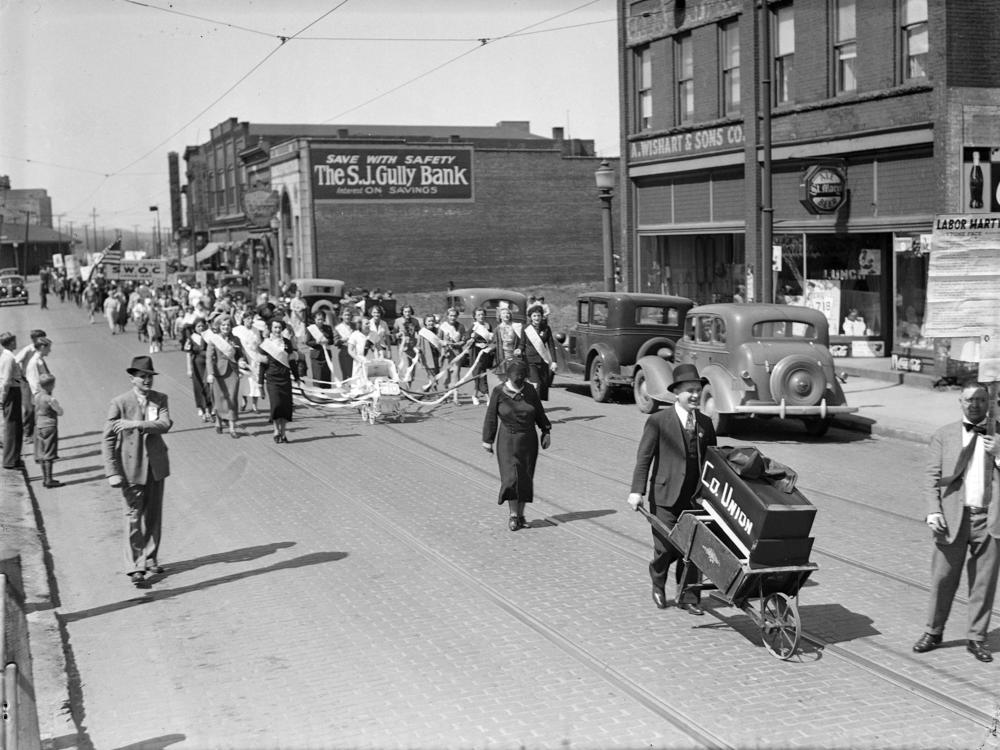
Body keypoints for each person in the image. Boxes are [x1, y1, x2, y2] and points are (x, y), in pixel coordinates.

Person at [913, 381, 1000, 662]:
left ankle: (977, 637)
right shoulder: (945, 435)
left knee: (984, 583)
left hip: (990, 518)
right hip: (951, 518)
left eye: (981, 400)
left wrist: (998, 453)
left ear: (990, 403)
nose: (975, 405)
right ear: (960, 402)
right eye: (969, 400)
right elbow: (931, 477)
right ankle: (933, 631)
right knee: (943, 578)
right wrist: (933, 511)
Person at [627, 363, 718, 615]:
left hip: (695, 497)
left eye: (698, 390)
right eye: (690, 390)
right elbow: (644, 458)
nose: (695, 395)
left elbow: (713, 462)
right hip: (665, 495)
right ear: (676, 393)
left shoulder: (705, 423)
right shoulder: (658, 421)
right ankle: (658, 582)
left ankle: (688, 596)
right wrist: (637, 490)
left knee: (694, 548)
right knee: (666, 547)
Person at [101, 355, 173, 589]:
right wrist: (112, 471)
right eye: (143, 377)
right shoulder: (120, 403)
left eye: (150, 377)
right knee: (133, 518)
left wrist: (136, 424)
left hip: (155, 467)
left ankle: (150, 558)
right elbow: (108, 440)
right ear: (132, 379)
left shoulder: (160, 399)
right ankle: (135, 566)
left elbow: (165, 424)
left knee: (154, 516)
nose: (147, 381)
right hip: (130, 469)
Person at [481, 359, 551, 531]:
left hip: (528, 440)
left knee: (525, 478)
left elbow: (539, 412)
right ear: (509, 376)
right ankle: (512, 515)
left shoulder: (530, 391)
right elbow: (491, 417)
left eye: (522, 377)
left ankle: (521, 515)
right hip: (507, 440)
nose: (519, 380)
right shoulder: (498, 392)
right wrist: (487, 440)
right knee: (511, 478)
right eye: (516, 377)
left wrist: (546, 430)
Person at [259, 318, 301, 443]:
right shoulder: (265, 344)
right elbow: (262, 365)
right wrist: (260, 382)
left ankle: (283, 431)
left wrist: (297, 377)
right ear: (271, 328)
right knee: (276, 405)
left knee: (285, 406)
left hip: (285, 378)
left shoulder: (287, 343)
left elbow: (292, 362)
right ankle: (275, 429)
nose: (277, 330)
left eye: (279, 327)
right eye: (275, 327)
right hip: (272, 378)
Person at [205, 315, 245, 438]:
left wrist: (241, 361)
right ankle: (218, 420)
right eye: (223, 325)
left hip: (232, 373)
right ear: (219, 327)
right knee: (219, 398)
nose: (225, 327)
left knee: (232, 399)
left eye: (228, 325)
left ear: (231, 326)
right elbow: (209, 358)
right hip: (218, 373)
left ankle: (232, 428)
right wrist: (210, 373)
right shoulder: (214, 339)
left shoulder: (236, 340)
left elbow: (240, 355)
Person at [521, 304, 557, 401]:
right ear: (531, 317)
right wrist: (519, 350)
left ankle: (534, 405)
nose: (537, 318)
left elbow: (551, 345)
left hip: (543, 361)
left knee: (543, 386)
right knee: (536, 384)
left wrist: (554, 361)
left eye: (539, 315)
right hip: (530, 361)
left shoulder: (546, 328)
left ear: (542, 316)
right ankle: (535, 409)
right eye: (534, 316)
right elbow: (522, 344)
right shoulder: (526, 328)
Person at [0, 332, 25, 470]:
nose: (16, 343)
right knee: (11, 427)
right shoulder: (8, 358)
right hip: (11, 392)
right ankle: (9, 461)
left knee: (16, 426)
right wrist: (3, 399)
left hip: (13, 391)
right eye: (14, 341)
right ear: (10, 343)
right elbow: (6, 381)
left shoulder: (8, 356)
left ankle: (14, 458)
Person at [34, 373, 63, 488]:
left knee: (42, 452)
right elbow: (60, 412)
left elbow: (36, 409)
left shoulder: (37, 397)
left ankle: (44, 478)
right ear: (51, 386)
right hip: (50, 426)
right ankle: (49, 479)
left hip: (39, 426)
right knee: (50, 453)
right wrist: (58, 409)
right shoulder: (51, 399)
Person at [233, 310, 263, 412]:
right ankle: (244, 401)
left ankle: (255, 405)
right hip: (243, 357)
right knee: (244, 381)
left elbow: (259, 344)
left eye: (251, 318)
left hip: (254, 358)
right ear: (243, 319)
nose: (249, 321)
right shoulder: (237, 330)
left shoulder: (256, 330)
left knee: (255, 381)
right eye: (247, 319)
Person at [185, 317, 213, 421]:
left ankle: (209, 409)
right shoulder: (191, 338)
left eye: (202, 326)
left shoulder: (208, 337)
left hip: (208, 365)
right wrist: (189, 369)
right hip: (196, 366)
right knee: (198, 387)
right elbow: (188, 354)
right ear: (194, 327)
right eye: (198, 326)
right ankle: (201, 407)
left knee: (208, 386)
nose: (201, 328)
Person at [438, 307, 468, 404]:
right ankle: (445, 395)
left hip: (456, 354)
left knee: (455, 376)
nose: (453, 318)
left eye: (454, 316)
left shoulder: (461, 327)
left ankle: (455, 397)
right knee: (446, 377)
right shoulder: (443, 326)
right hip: (446, 354)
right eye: (451, 315)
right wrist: (444, 343)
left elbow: (464, 340)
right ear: (447, 316)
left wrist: (457, 344)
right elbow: (438, 339)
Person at [491, 303, 523, 388]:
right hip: (502, 356)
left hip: (513, 355)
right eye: (504, 313)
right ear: (500, 316)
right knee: (502, 380)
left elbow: (521, 341)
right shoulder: (497, 329)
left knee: (513, 378)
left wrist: (519, 349)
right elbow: (493, 343)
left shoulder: (516, 327)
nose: (506, 315)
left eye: (508, 313)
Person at [468, 307, 494, 406]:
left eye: (482, 314)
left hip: (485, 353)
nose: (481, 316)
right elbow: (467, 339)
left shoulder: (488, 325)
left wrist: (488, 344)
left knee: (481, 374)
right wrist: (474, 342)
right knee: (479, 374)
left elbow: (490, 339)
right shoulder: (474, 326)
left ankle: (475, 395)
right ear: (475, 316)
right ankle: (488, 397)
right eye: (478, 315)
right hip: (476, 353)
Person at [305, 310, 335, 389]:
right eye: (318, 319)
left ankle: (327, 396)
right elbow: (307, 342)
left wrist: (327, 341)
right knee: (318, 377)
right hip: (316, 356)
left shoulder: (328, 328)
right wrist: (316, 342)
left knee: (326, 377)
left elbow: (332, 341)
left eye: (322, 319)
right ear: (314, 319)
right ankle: (318, 396)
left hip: (326, 356)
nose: (320, 321)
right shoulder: (311, 329)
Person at [393, 305, 421, 387]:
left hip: (412, 346)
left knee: (412, 366)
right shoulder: (398, 321)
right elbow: (394, 334)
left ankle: (409, 386)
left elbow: (419, 332)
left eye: (409, 311)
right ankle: (405, 387)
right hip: (403, 347)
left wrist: (418, 344)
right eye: (405, 312)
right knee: (405, 365)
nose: (407, 313)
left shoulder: (415, 321)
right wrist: (398, 335)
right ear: (402, 312)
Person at [417, 314, 443, 391]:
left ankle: (425, 390)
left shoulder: (438, 331)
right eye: (429, 321)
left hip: (436, 355)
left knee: (436, 375)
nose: (431, 323)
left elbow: (441, 341)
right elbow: (418, 344)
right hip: (428, 357)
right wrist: (418, 352)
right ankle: (435, 393)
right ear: (425, 322)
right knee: (432, 376)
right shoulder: (422, 332)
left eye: (432, 321)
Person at [332, 307, 356, 382]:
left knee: (355, 374)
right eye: (345, 315)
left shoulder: (355, 326)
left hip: (355, 353)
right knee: (346, 375)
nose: (347, 317)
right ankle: (346, 390)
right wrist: (342, 340)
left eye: (349, 315)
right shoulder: (338, 328)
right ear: (341, 316)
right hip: (344, 353)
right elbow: (335, 342)